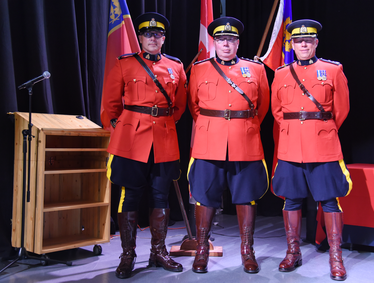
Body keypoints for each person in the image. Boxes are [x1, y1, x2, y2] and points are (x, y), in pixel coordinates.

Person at [101, 12, 187, 279]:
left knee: (161, 195)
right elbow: (110, 106)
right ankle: (127, 255)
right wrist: (125, 130)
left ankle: (158, 252)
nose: (153, 38)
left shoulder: (176, 66)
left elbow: (180, 105)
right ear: (140, 37)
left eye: (158, 34)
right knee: (131, 195)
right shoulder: (124, 64)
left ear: (163, 38)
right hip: (131, 140)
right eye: (148, 34)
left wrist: (160, 124)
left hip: (163, 138)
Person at [270, 19, 352, 281]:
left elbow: (341, 110)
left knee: (329, 200)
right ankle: (293, 252)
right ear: (292, 44)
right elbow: (277, 111)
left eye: (308, 40)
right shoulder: (281, 73)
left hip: (323, 144)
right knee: (291, 199)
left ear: (316, 42)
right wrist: (296, 131)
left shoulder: (332, 70)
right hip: (291, 145)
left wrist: (322, 129)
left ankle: (335, 256)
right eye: (297, 40)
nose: (303, 43)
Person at [187, 17, 270, 274]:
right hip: (209, 140)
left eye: (231, 39)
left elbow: (263, 106)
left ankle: (247, 250)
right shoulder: (199, 69)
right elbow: (194, 106)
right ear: (214, 41)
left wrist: (243, 127)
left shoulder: (255, 69)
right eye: (221, 39)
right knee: (205, 195)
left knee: (246, 196)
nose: (226, 43)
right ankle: (202, 249)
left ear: (237, 42)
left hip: (244, 140)